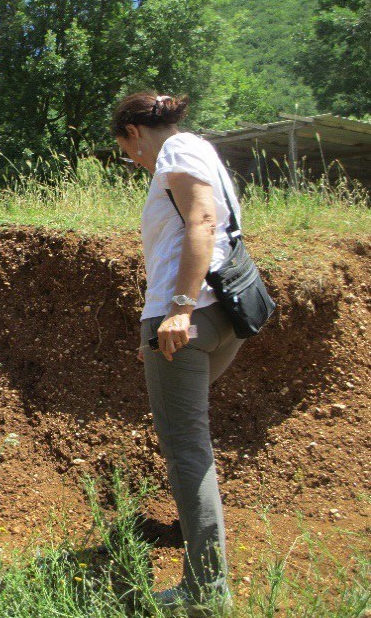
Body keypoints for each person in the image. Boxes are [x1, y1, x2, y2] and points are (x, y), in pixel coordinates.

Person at [110, 91, 243, 617]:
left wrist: (178, 311)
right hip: (222, 314)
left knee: (188, 451)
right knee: (191, 441)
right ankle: (204, 571)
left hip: (190, 313)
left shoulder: (174, 152)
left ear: (134, 133)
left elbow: (202, 222)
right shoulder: (202, 150)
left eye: (127, 150)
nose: (132, 160)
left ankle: (206, 592)